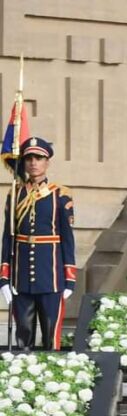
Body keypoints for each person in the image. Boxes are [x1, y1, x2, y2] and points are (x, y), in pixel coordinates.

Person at [0, 138, 76, 349]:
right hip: (21, 278)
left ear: (47, 162)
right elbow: (8, 237)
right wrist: (4, 277)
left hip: (51, 278)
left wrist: (69, 280)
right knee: (23, 339)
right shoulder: (15, 194)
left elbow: (67, 239)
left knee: (52, 339)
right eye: (29, 158)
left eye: (39, 158)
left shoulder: (60, 194)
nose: (33, 163)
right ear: (24, 162)